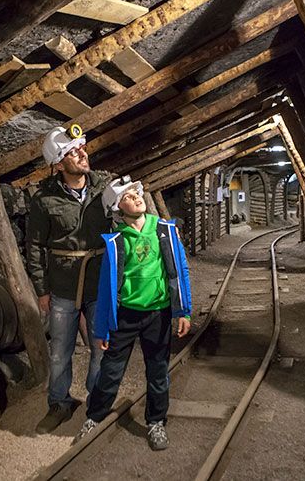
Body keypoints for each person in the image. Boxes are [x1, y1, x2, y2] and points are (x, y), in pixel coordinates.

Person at [73, 176, 192, 451]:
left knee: (158, 370)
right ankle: (94, 417)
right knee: (111, 370)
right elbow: (106, 287)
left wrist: (183, 310)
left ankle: (156, 422)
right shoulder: (116, 241)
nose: (136, 197)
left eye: (136, 193)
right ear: (118, 208)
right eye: (127, 196)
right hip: (126, 315)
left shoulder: (164, 230)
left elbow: (180, 271)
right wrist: (102, 328)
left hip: (158, 314)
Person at [27, 125, 114, 434]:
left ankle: (97, 401)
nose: (82, 154)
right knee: (60, 350)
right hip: (63, 286)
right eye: (73, 152)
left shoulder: (105, 189)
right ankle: (59, 404)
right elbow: (35, 247)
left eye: (82, 148)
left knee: (100, 346)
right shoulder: (43, 200)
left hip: (98, 282)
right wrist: (42, 289)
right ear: (59, 163)